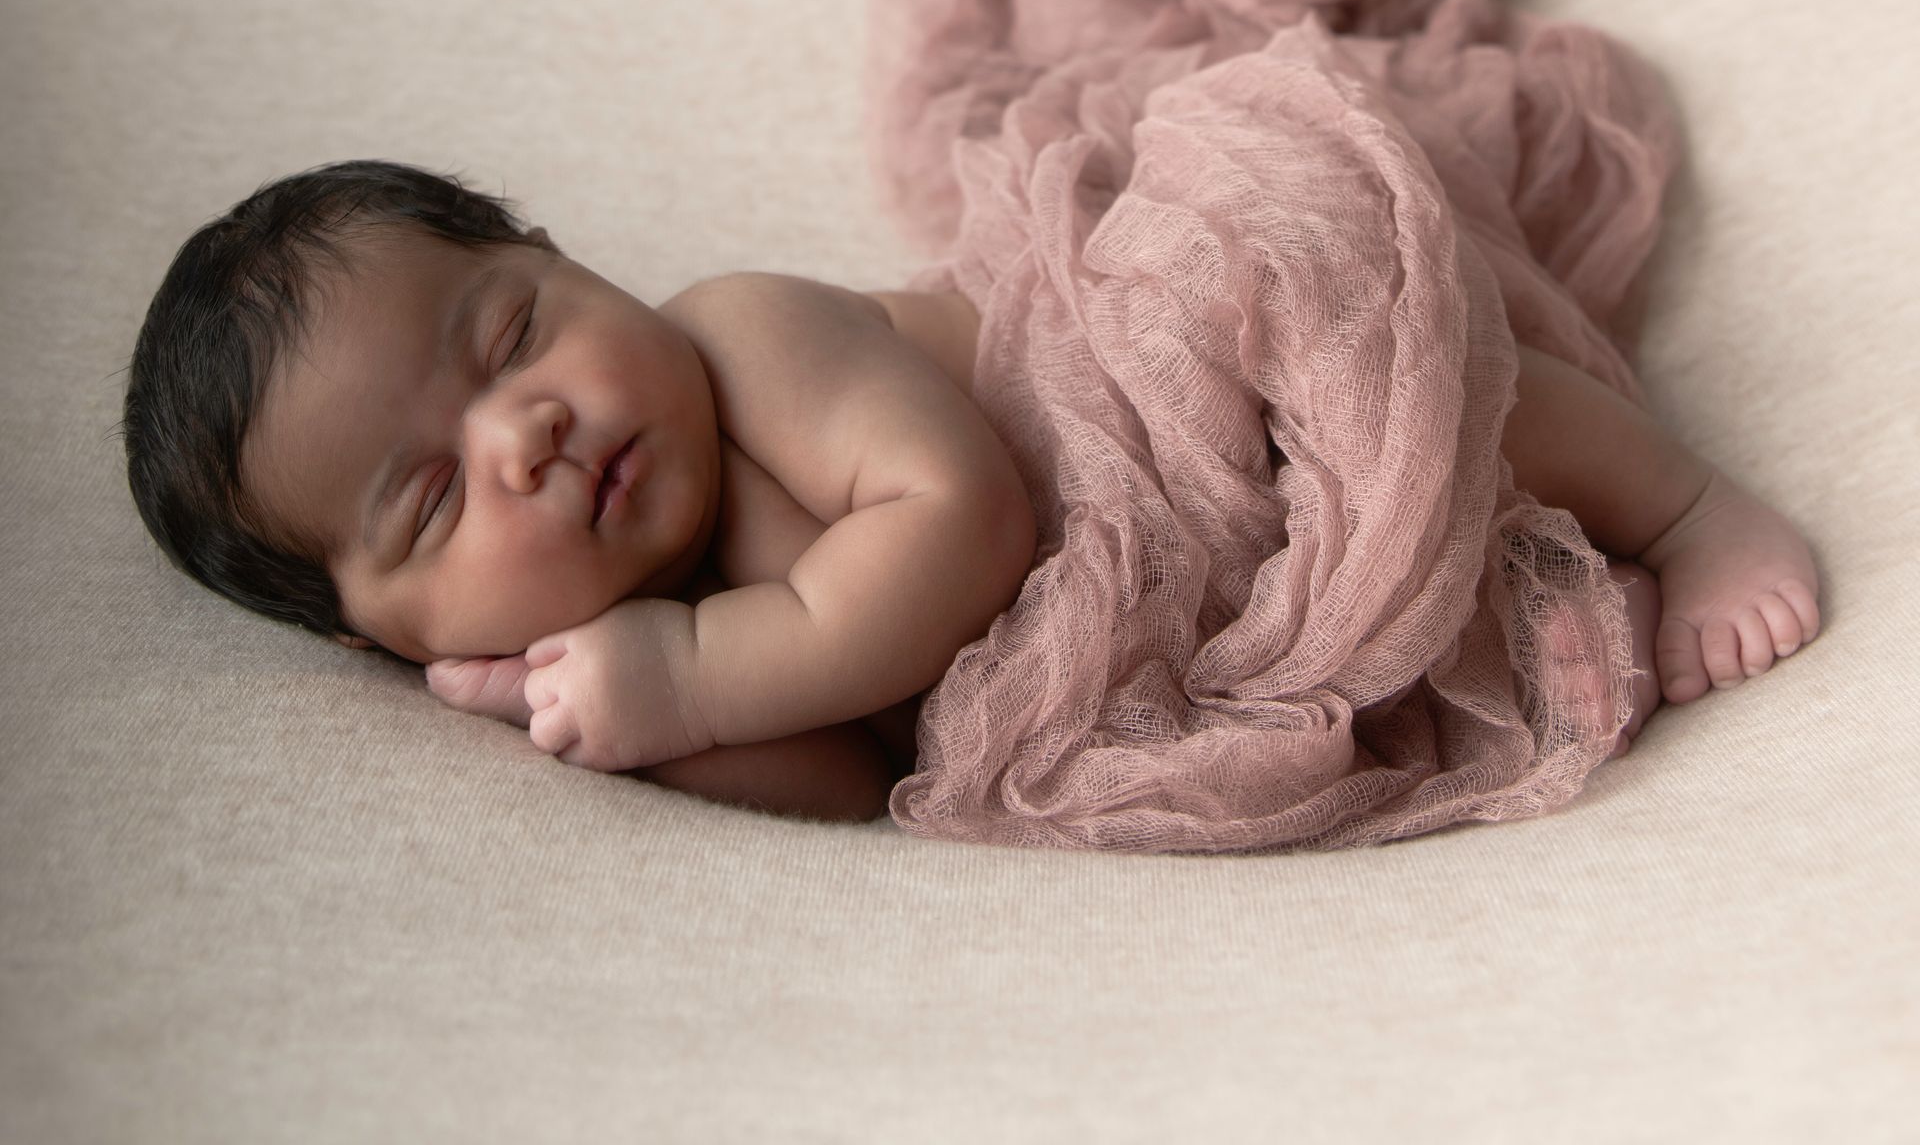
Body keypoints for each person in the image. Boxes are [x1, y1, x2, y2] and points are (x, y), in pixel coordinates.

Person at [121, 159, 1822, 826]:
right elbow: (851, 777)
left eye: (514, 334)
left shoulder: (738, 338)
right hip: (1203, 589)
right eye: (432, 508)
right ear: (384, 638)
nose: (528, 436)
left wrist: (693, 672)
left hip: (1172, 403)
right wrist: (594, 709)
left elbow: (961, 520)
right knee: (1395, 547)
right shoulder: (658, 624)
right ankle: (1557, 570)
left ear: (580, 263)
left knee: (1404, 396)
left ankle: (1681, 508)